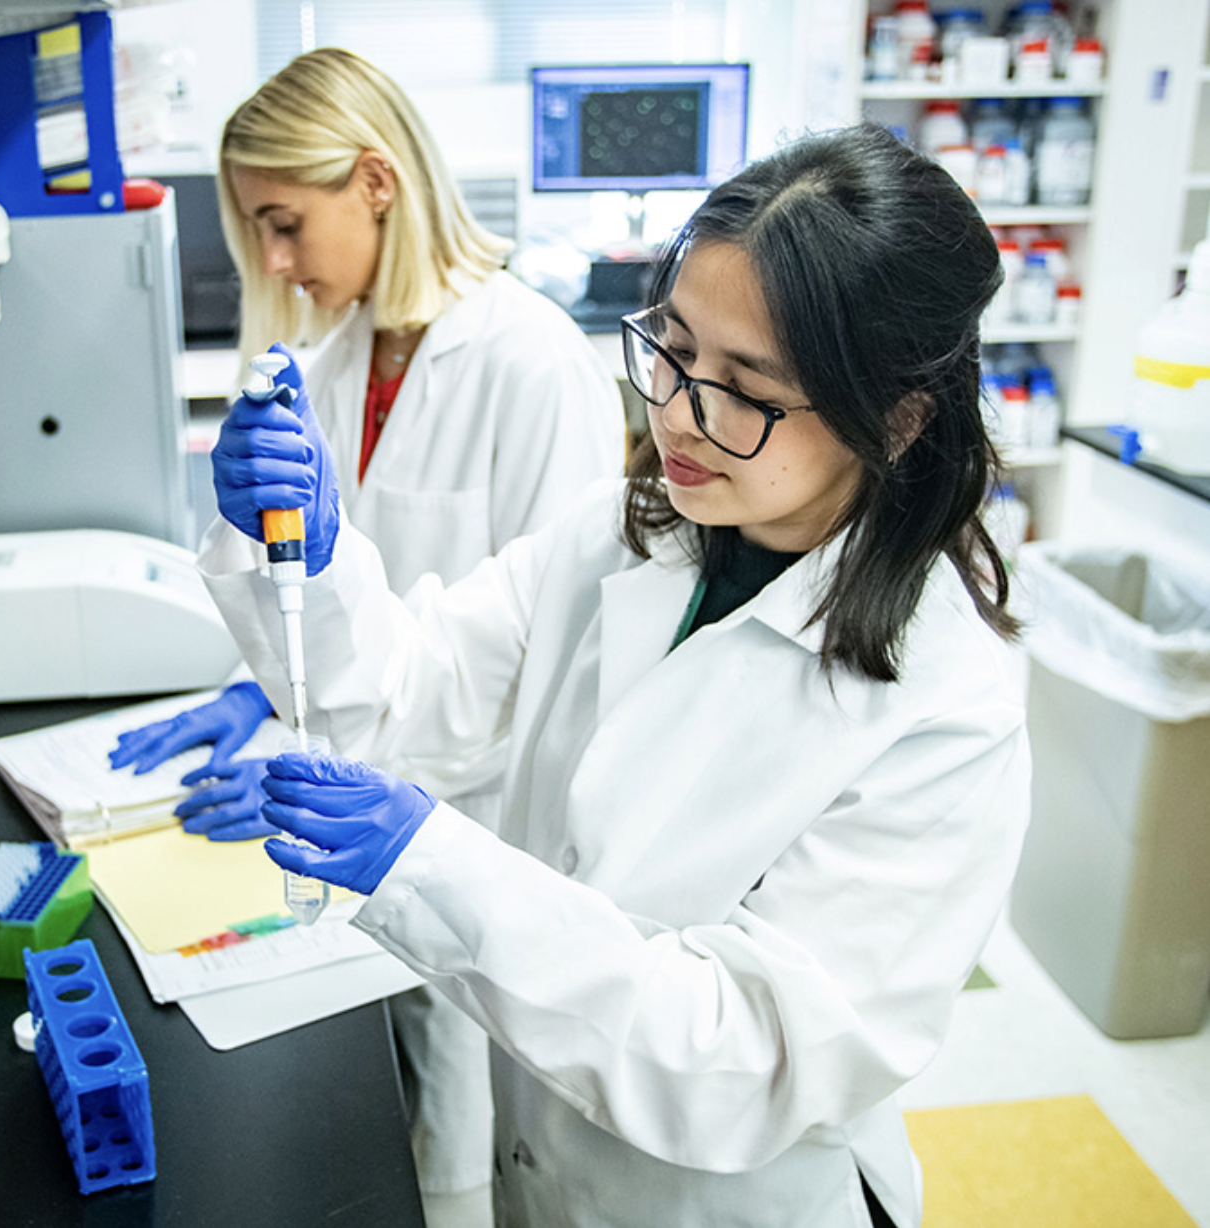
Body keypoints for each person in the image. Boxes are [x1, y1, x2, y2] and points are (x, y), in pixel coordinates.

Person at [195, 123, 1031, 1228]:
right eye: (672, 348)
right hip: (542, 1174)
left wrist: (432, 867)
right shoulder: (621, 536)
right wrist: (308, 552)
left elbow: (742, 1057)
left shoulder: (945, 706)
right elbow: (408, 691)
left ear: (896, 413)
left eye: (745, 387)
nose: (676, 412)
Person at [108, 47, 625, 1206]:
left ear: (377, 183)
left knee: (457, 1149)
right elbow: (333, 602)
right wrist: (263, 699)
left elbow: (557, 681)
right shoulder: (336, 359)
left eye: (285, 224)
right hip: (361, 838)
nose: (277, 263)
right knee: (379, 1131)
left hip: (482, 842)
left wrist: (354, 774)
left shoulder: (533, 362)